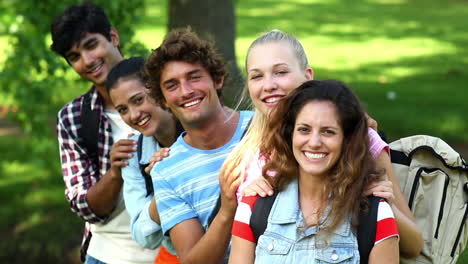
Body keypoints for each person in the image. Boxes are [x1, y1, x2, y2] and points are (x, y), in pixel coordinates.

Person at [221, 29, 422, 257]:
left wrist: (386, 205)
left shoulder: (357, 140)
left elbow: (413, 245)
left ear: (307, 76)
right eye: (257, 76)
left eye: (281, 72)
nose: (268, 85)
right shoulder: (249, 150)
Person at [229, 79, 400, 263]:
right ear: (290, 134)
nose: (314, 142)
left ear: (347, 140)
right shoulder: (254, 207)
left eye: (328, 132)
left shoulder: (375, 215)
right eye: (304, 129)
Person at [51, 3, 157, 263]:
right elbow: (86, 207)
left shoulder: (164, 87)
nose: (87, 61)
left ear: (113, 37)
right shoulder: (73, 118)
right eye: (74, 56)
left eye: (91, 45)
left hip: (174, 252)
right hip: (107, 254)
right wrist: (114, 171)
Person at [144, 28, 254, 263]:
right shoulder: (167, 172)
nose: (186, 91)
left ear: (217, 79)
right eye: (172, 85)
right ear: (163, 100)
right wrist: (226, 212)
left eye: (194, 77)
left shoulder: (261, 129)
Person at [107, 57, 182, 263]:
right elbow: (144, 236)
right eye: (122, 109)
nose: (133, 115)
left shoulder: (198, 129)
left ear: (158, 91)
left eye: (138, 100)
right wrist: (163, 188)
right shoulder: (134, 156)